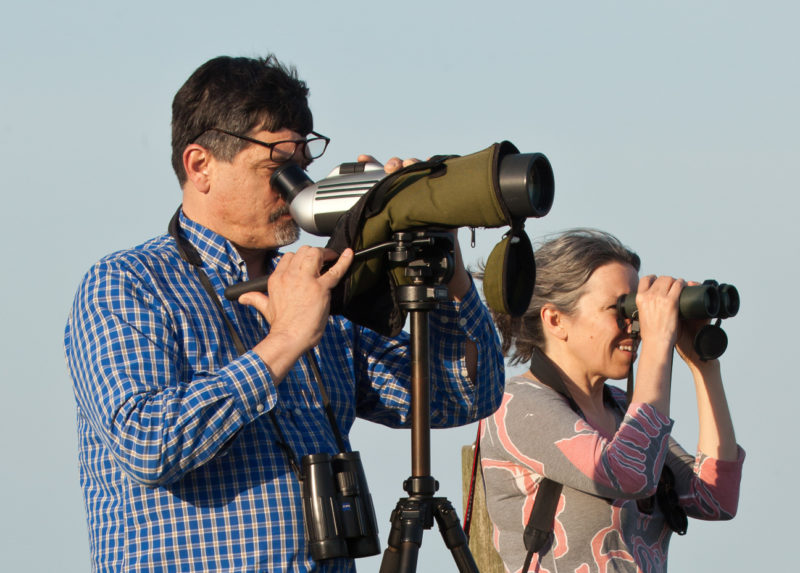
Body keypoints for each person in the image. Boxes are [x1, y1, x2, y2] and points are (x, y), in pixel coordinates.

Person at [64, 55, 505, 572]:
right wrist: (286, 339)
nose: (294, 188)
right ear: (199, 165)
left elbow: (462, 396)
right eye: (276, 168)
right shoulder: (127, 284)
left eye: (303, 166)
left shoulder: (316, 285)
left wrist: (444, 263)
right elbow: (147, 443)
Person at [479, 229, 744, 573]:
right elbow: (628, 475)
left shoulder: (620, 408)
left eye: (635, 310)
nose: (635, 326)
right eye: (619, 309)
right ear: (556, 320)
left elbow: (715, 499)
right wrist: (658, 340)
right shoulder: (516, 405)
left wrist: (703, 365)